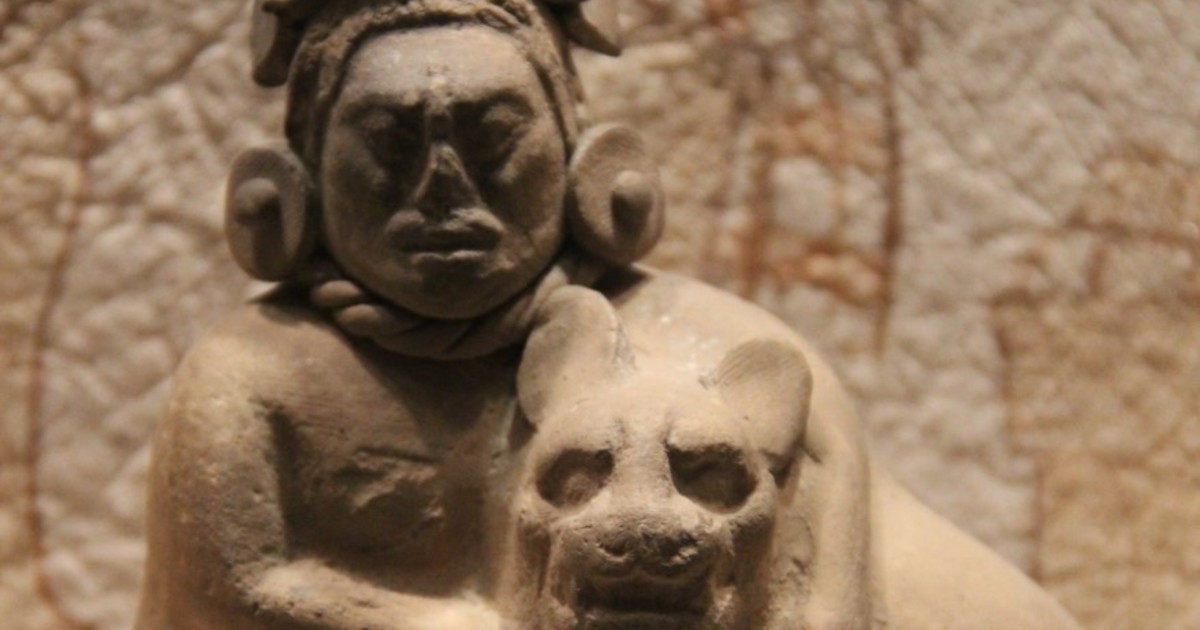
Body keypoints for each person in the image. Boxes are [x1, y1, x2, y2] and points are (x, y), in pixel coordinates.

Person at [136, 1, 1079, 628]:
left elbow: (823, 607)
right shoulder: (253, 374)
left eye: (493, 138)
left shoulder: (720, 347)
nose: (442, 190)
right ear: (294, 178)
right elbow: (226, 597)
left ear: (586, 163)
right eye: (387, 143)